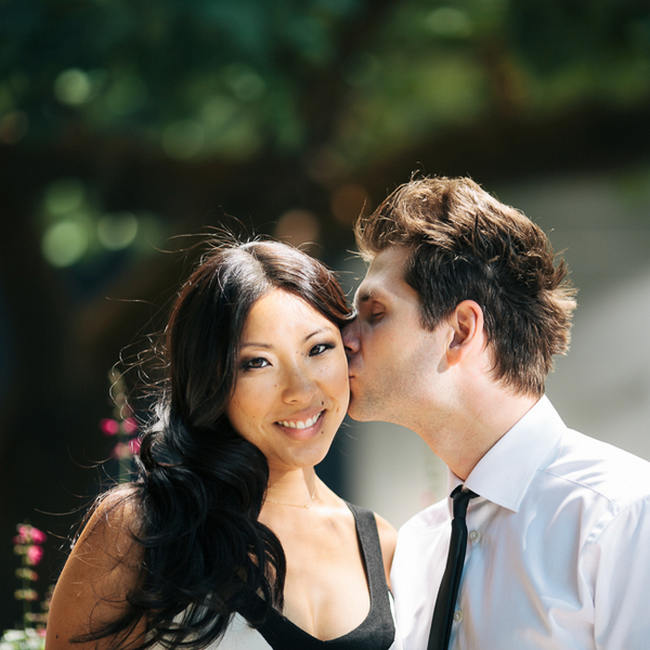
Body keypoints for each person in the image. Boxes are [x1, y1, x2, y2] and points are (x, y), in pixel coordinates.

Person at [342, 176, 650, 649]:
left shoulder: (624, 515)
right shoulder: (420, 547)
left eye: (375, 312)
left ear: (461, 330)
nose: (345, 339)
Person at [46, 239, 400, 649]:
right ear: (211, 380)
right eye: (257, 363)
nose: (300, 390)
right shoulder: (145, 526)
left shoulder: (381, 544)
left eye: (318, 349)